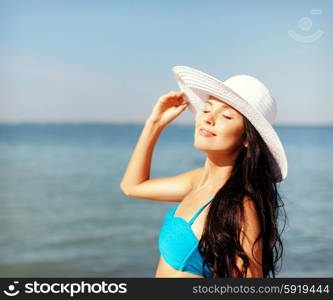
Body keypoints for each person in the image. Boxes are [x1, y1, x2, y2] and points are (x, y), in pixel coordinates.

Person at [120, 66, 288, 278]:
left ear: (246, 138)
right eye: (207, 109)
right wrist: (154, 124)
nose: (208, 118)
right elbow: (131, 186)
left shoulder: (240, 206)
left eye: (226, 116)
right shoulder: (197, 181)